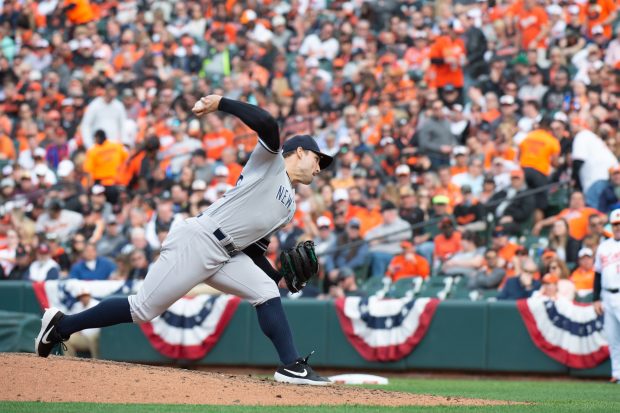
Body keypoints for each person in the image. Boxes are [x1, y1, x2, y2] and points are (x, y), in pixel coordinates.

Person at [35, 95, 334, 385]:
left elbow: (254, 250)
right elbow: (267, 123)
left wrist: (279, 277)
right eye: (318, 158)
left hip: (227, 253)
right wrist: (221, 103)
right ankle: (61, 325)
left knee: (266, 288)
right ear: (299, 152)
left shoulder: (290, 206)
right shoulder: (270, 164)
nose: (320, 167)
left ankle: (291, 366)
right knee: (142, 310)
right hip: (201, 239)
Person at [593, 208, 620, 384]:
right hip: (607, 295)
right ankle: (617, 373)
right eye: (615, 225)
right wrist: (596, 298)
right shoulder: (603, 246)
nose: (618, 228)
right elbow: (597, 274)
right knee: (612, 337)